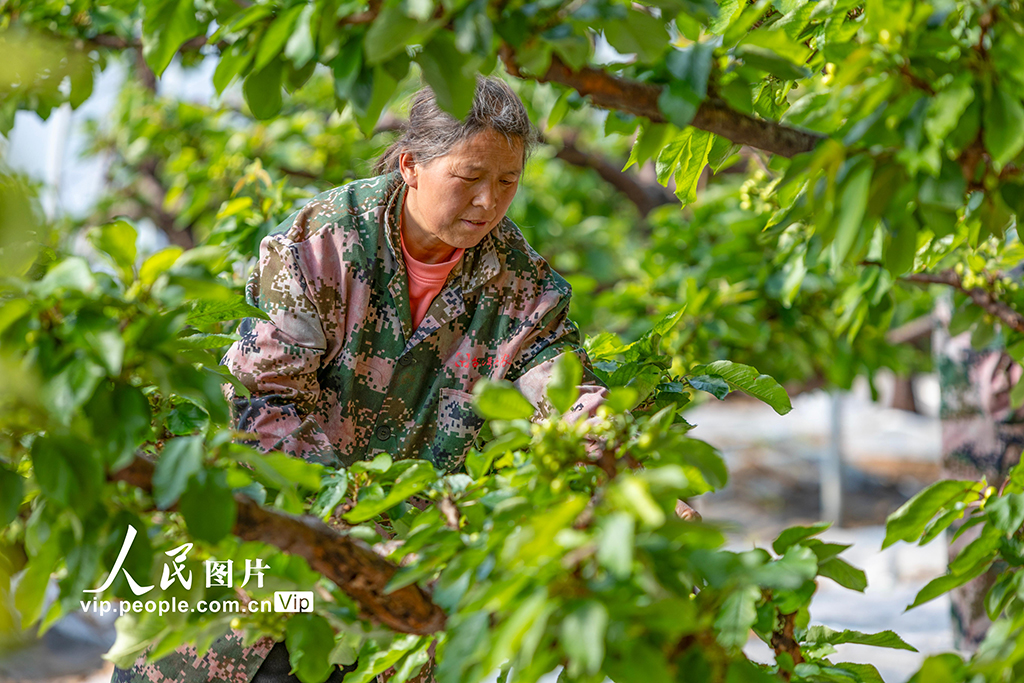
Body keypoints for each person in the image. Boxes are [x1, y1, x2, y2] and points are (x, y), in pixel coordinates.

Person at [113, 76, 612, 683]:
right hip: (265, 552)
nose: (488, 202)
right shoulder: (322, 243)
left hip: (397, 593)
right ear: (411, 165)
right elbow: (262, 408)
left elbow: (568, 399)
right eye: (469, 178)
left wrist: (619, 464)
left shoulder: (525, 288)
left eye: (507, 182)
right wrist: (357, 526)